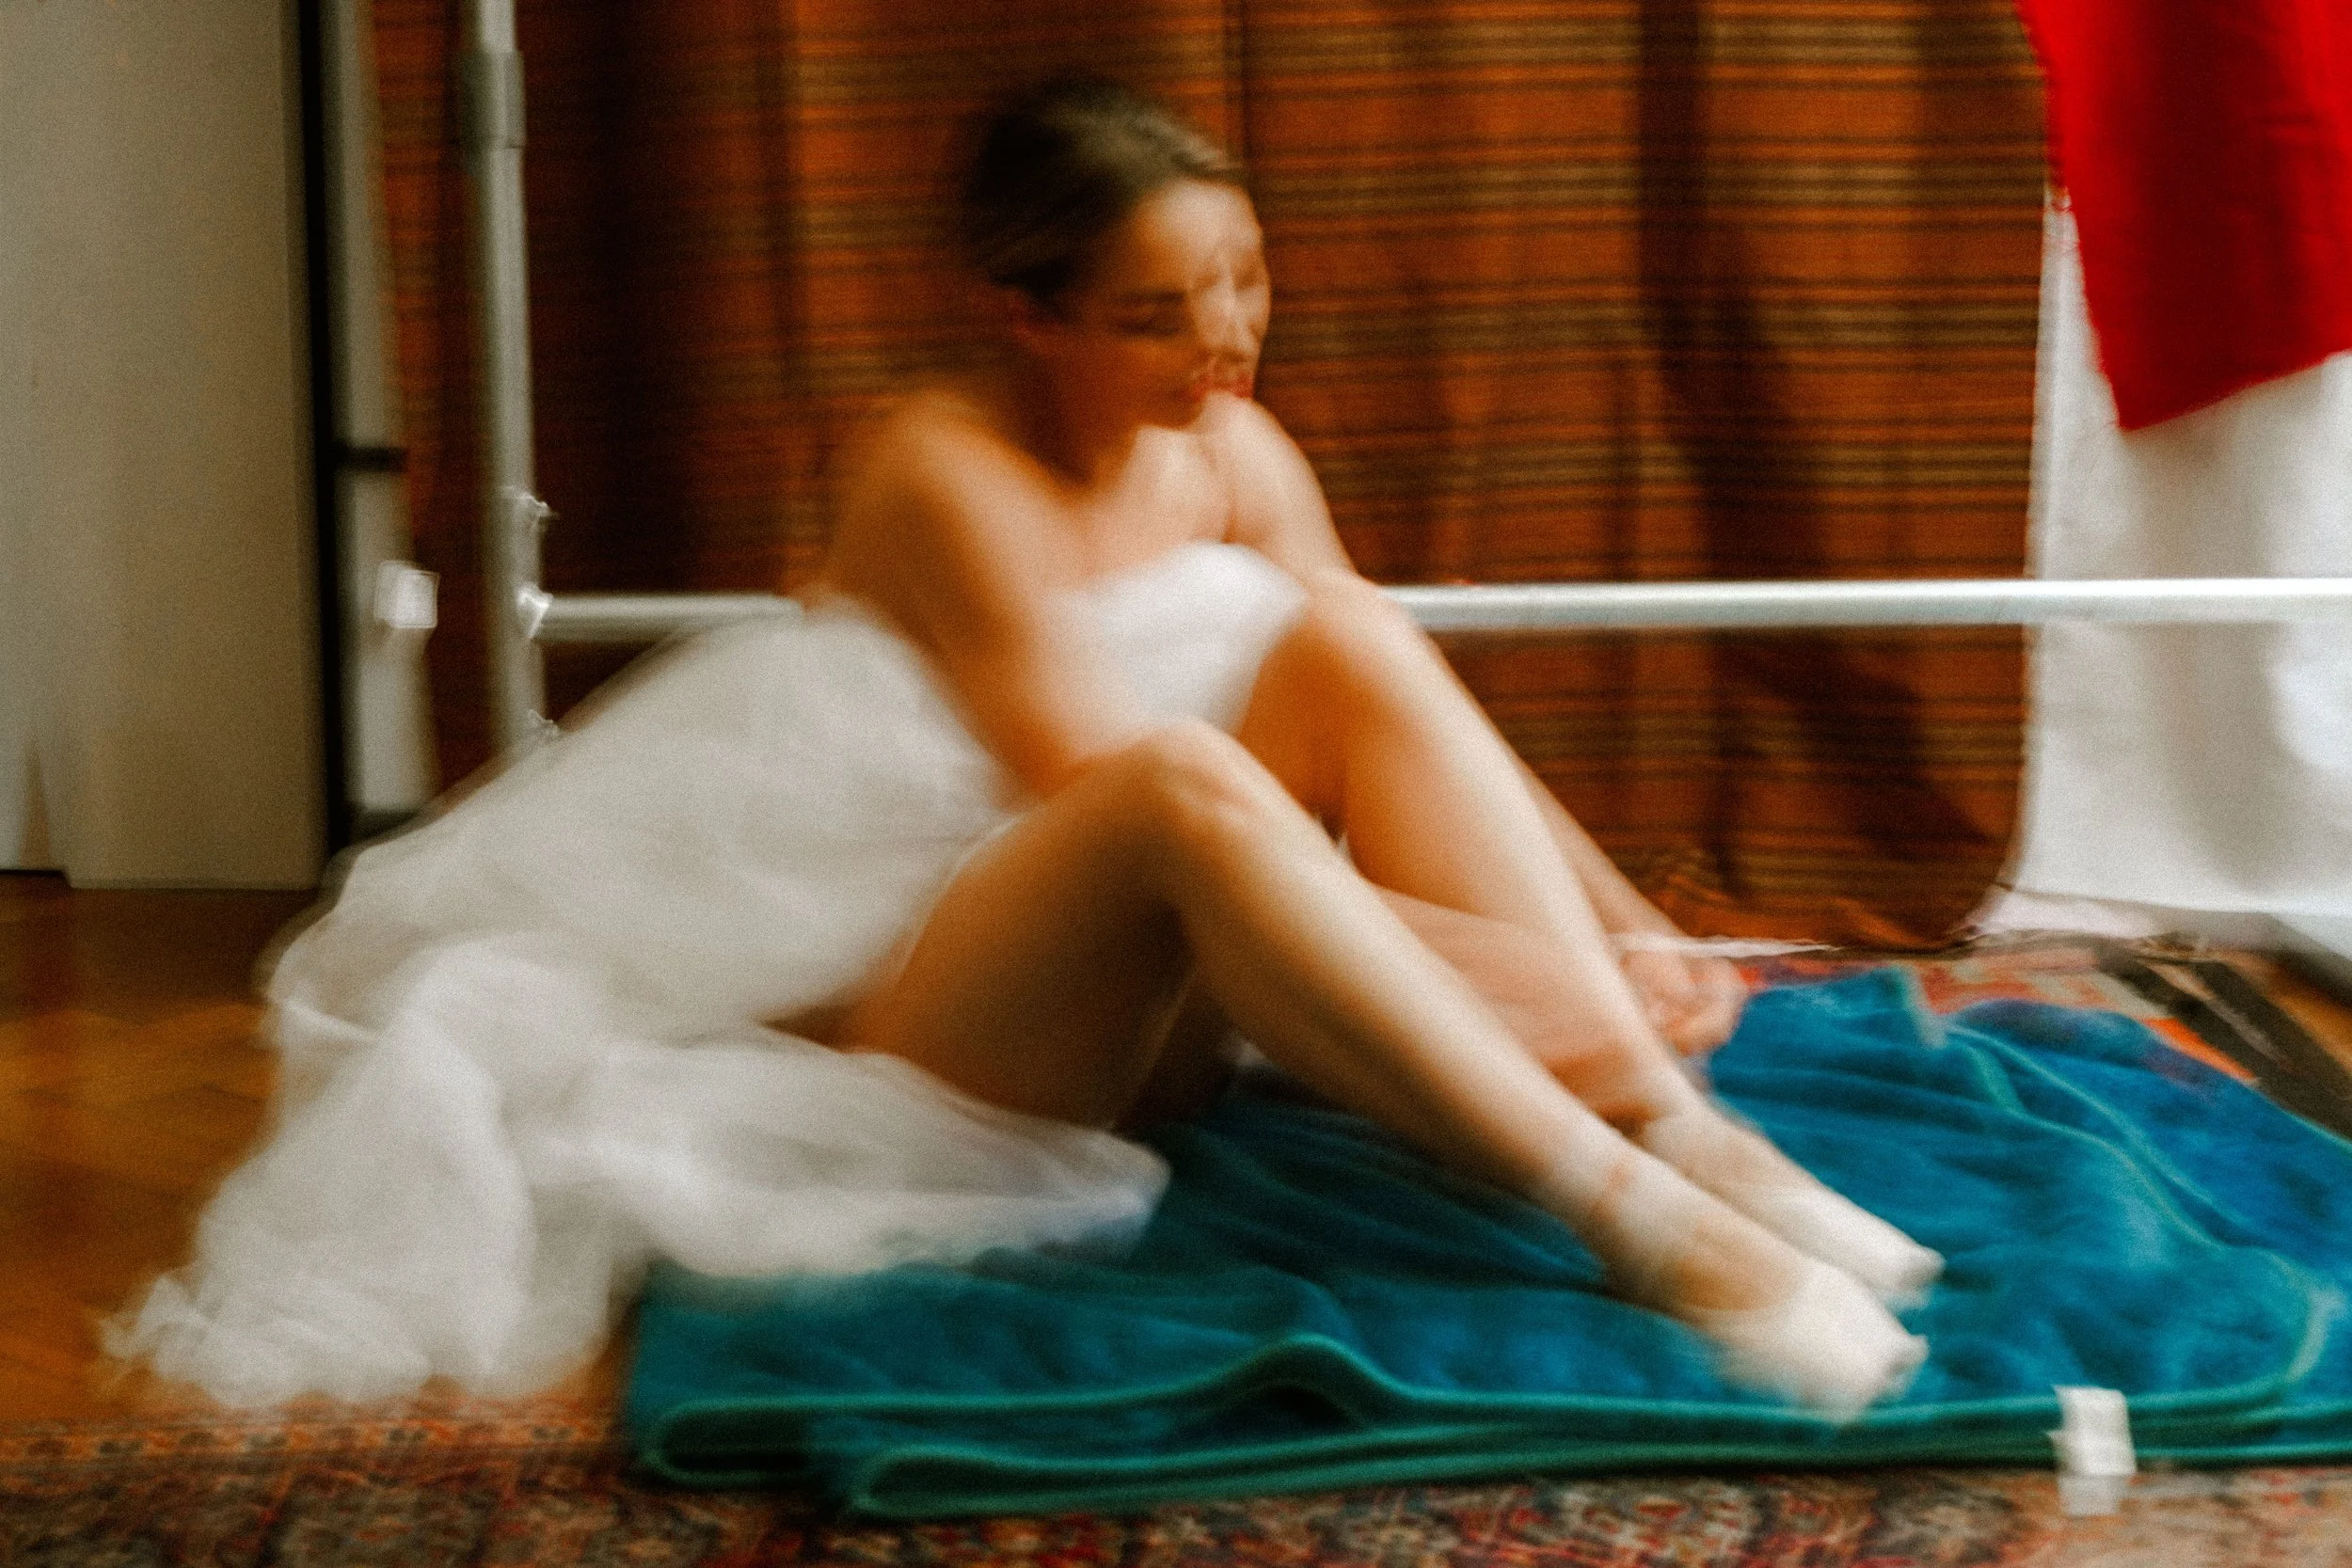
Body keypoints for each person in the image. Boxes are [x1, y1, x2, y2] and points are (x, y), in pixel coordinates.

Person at [111, 76, 1935, 1418]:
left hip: (1192, 955)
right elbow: (1107, 803)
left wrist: (1618, 926)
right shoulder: (941, 471)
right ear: (1026, 311)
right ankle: (1632, 1216)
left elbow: (1402, 707)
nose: (1220, 337)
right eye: (1154, 311)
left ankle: (1693, 1138)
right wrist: (1518, 972)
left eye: (1239, 279)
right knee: (1176, 779)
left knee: (1351, 629)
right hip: (936, 995)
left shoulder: (1230, 439)